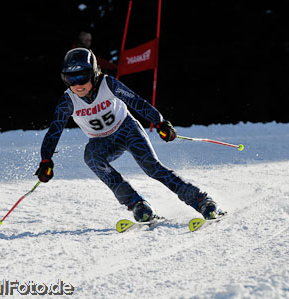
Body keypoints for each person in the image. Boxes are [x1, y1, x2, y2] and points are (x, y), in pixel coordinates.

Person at [35, 48, 223, 222]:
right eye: (70, 79)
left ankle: (201, 200)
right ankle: (137, 204)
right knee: (91, 156)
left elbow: (136, 102)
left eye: (82, 77)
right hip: (102, 142)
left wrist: (159, 122)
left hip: (127, 130)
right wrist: (46, 160)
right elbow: (54, 131)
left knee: (152, 167)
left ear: (92, 73)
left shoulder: (108, 84)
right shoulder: (68, 100)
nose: (77, 85)